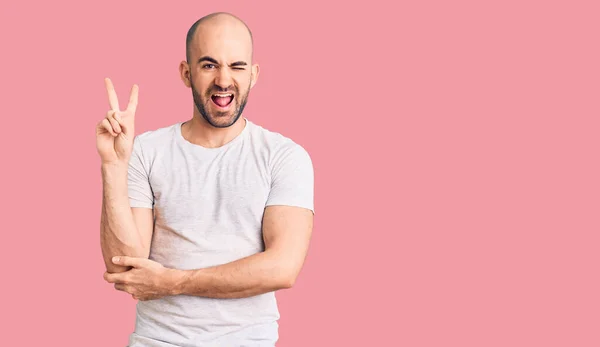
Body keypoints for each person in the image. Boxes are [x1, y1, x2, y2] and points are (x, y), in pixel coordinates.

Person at [96, 12, 314, 347]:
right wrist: (113, 165)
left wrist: (174, 282)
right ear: (186, 73)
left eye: (237, 66)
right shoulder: (146, 150)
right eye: (209, 65)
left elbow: (282, 267)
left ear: (254, 75)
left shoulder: (284, 156)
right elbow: (125, 266)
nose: (224, 80)